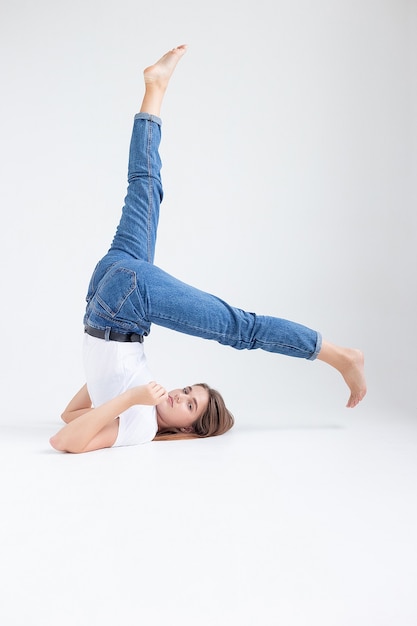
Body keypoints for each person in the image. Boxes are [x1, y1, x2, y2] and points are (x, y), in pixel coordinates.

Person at [49, 45, 366, 454]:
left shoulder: (142, 424)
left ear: (186, 431)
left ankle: (340, 355)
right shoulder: (140, 412)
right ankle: (155, 89)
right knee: (145, 186)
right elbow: (74, 421)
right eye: (188, 392)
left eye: (188, 404)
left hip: (114, 301)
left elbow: (65, 435)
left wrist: (126, 397)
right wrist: (114, 387)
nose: (179, 396)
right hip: (114, 298)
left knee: (241, 329)